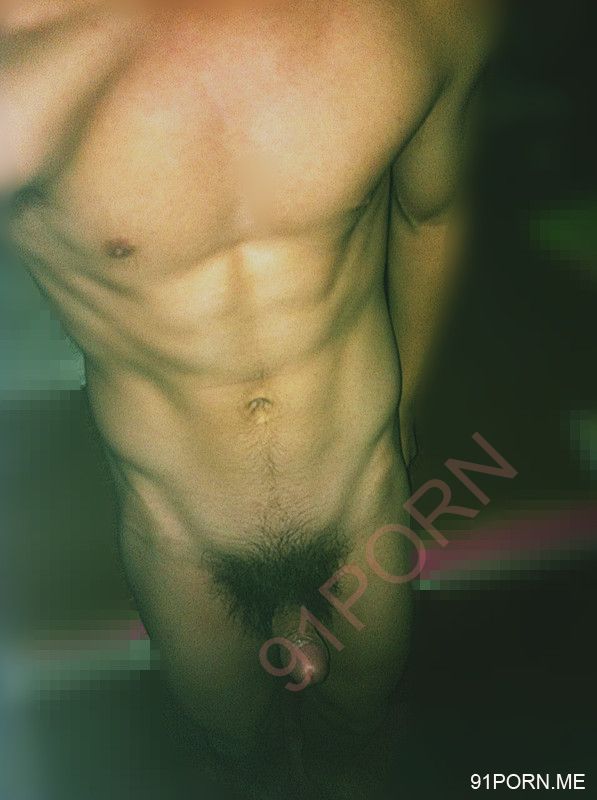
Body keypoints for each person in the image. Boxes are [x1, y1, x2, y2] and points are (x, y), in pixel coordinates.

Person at [1, 0, 498, 796]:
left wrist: (404, 411)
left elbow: (430, 214)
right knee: (236, 754)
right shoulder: (20, 71)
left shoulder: (415, 17)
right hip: (181, 536)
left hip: (361, 501)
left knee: (361, 736)